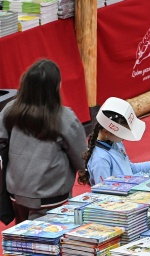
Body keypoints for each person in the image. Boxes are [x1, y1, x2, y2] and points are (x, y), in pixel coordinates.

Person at [0, 59, 87, 223]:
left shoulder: (10, 109)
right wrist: (84, 173)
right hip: (50, 194)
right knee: (45, 244)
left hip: (16, 193)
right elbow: (83, 158)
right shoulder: (64, 117)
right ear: (55, 87)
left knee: (21, 237)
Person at [78, 97, 150, 186]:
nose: (124, 138)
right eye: (122, 135)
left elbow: (130, 169)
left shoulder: (116, 142)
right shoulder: (100, 160)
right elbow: (104, 192)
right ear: (106, 132)